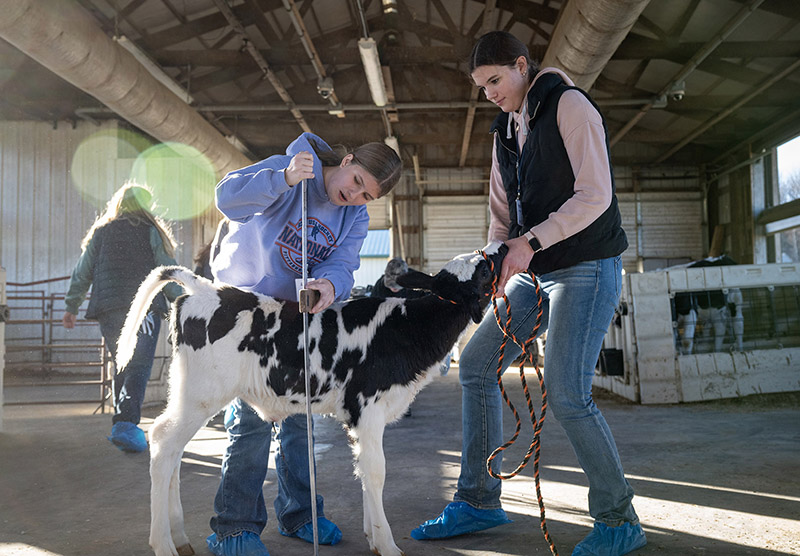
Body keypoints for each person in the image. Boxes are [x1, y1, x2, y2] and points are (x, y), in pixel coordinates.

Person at [411, 31, 646, 556]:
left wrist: (530, 241)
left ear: (522, 66)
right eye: (481, 86)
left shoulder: (570, 106)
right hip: (532, 274)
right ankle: (478, 500)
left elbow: (595, 195)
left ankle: (618, 519)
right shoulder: (504, 130)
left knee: (567, 393)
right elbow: (501, 218)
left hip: (586, 266)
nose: (489, 93)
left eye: (495, 80)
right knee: (476, 365)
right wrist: (495, 264)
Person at [206, 131, 402, 556]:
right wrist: (283, 179)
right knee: (252, 422)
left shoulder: (356, 218)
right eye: (355, 181)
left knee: (301, 419)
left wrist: (330, 286)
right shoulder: (290, 165)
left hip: (298, 318)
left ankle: (299, 514)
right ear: (347, 160)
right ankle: (234, 527)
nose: (353, 196)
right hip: (246, 312)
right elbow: (227, 198)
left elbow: (344, 263)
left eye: (365, 195)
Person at [62, 182, 181, 453]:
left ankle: (123, 424)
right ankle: (126, 424)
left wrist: (72, 307)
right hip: (143, 308)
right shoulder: (151, 231)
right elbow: (167, 272)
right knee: (138, 365)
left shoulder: (101, 233)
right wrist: (185, 302)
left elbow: (82, 272)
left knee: (122, 363)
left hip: (109, 309)